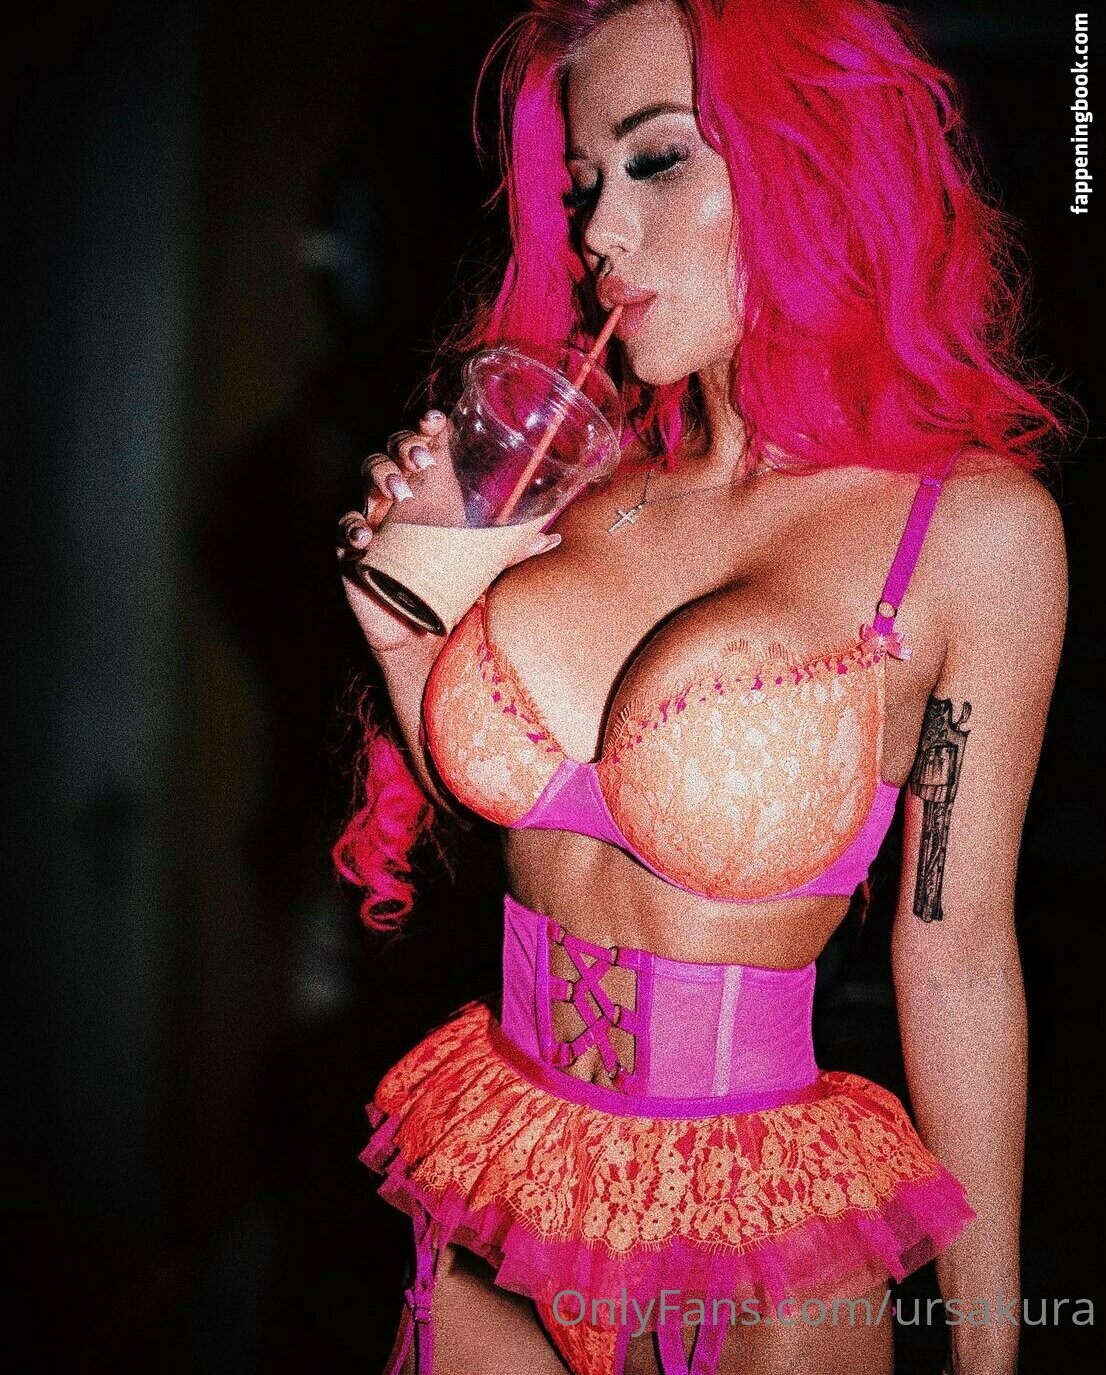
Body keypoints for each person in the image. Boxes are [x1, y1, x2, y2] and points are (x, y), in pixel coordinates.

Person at [333, 1, 1068, 1372]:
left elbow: (957, 955)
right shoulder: (577, 481)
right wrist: (400, 635)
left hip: (756, 1263)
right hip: (498, 1195)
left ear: (814, 158)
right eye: (581, 184)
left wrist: (989, 1354)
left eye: (657, 159)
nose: (600, 229)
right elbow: (533, 828)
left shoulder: (967, 533)